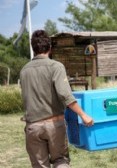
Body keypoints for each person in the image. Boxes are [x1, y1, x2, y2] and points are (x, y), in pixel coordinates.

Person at [20, 30, 94, 168]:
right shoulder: (56, 66)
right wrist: (83, 115)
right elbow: (65, 95)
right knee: (60, 161)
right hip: (53, 125)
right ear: (50, 48)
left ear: (33, 48)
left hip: (32, 127)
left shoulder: (24, 70)